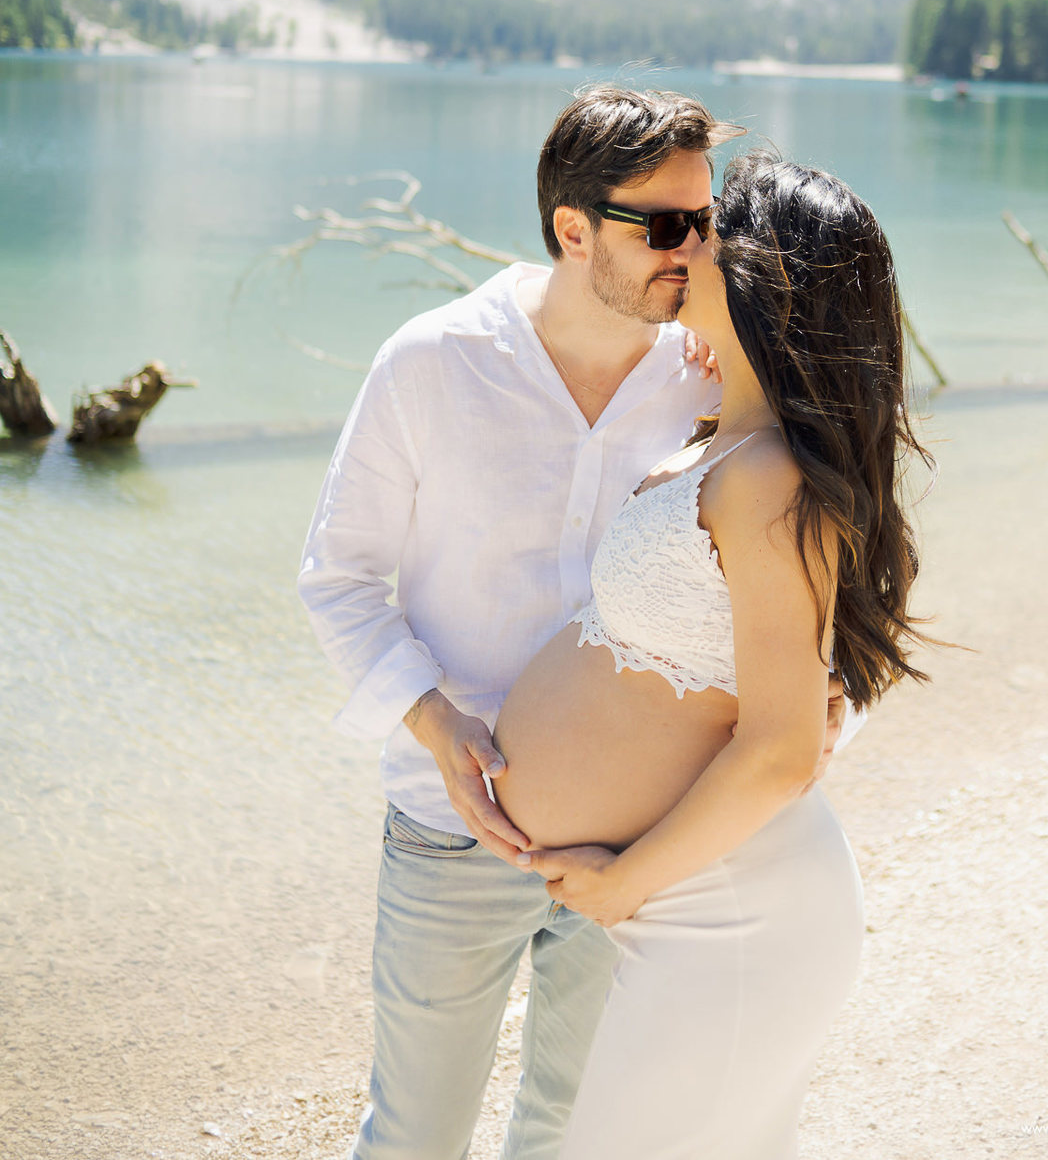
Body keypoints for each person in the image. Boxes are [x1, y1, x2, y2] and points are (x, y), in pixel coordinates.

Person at [298, 87, 854, 1160]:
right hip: (450, 826)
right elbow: (339, 578)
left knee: (566, 1127)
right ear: (572, 230)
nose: (696, 251)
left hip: (639, 838)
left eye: (711, 223)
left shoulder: (708, 376)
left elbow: (803, 557)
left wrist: (829, 702)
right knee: (413, 1133)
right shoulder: (430, 362)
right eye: (668, 226)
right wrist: (434, 723)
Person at [492, 154, 933, 1159]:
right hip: (698, 900)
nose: (677, 243)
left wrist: (623, 882)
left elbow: (780, 747)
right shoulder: (725, 442)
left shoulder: (769, 473)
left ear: (769, 277)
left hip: (728, 910)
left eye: (705, 227)